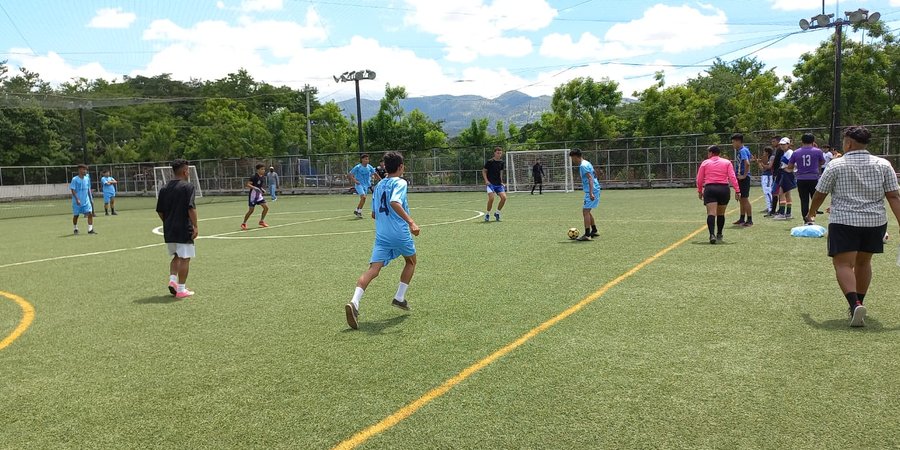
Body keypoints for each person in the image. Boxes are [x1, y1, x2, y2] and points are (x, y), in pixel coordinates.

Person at [805, 126, 900, 327]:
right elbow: (893, 196)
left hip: (844, 221)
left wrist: (812, 212)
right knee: (864, 263)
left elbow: (820, 193)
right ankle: (859, 304)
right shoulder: (883, 164)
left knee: (843, 264)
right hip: (875, 222)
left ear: (848, 143)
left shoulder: (836, 165)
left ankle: (854, 303)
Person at [345, 151, 420, 330]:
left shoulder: (379, 186)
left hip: (382, 234)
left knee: (373, 269)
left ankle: (354, 303)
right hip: (399, 232)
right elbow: (395, 202)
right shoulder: (400, 182)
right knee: (411, 261)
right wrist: (411, 222)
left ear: (385, 167)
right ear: (401, 167)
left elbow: (373, 213)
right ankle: (399, 297)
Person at [156, 159, 199, 299]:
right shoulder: (187, 187)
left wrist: (167, 222)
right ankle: (181, 289)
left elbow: (160, 211)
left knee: (176, 256)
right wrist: (195, 226)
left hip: (169, 229)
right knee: (185, 258)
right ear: (185, 171)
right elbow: (191, 208)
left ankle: (173, 280)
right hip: (183, 228)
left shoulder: (164, 188)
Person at [696, 145, 741, 244]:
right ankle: (719, 233)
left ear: (711, 153)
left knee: (711, 212)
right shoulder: (727, 162)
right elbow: (732, 177)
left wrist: (699, 190)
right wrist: (737, 191)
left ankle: (712, 234)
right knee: (721, 213)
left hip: (710, 188)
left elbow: (699, 179)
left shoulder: (705, 163)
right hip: (723, 189)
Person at [787, 133, 826, 220]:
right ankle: (812, 218)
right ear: (813, 141)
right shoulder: (818, 151)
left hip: (801, 179)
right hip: (814, 178)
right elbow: (823, 162)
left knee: (804, 200)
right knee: (814, 200)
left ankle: (805, 220)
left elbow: (790, 166)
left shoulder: (796, 152)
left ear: (802, 141)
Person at [568, 148, 601, 241]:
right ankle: (594, 230)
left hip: (592, 190)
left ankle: (587, 234)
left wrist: (591, 192)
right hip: (594, 188)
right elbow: (594, 175)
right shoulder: (587, 163)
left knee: (585, 211)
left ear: (575, 157)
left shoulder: (583, 166)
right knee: (587, 211)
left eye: (572, 158)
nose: (572, 161)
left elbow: (590, 178)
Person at [731, 133, 753, 226]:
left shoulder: (743, 150)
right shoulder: (745, 149)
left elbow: (747, 163)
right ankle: (742, 218)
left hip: (743, 178)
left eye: (733, 142)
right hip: (741, 177)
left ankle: (749, 220)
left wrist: (744, 175)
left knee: (744, 199)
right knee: (741, 199)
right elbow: (751, 158)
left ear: (738, 141)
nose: (733, 144)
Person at [348, 154, 380, 218]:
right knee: (363, 197)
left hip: (366, 185)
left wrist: (381, 180)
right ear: (362, 160)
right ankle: (359, 212)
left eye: (368, 159)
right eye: (365, 159)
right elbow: (350, 174)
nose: (367, 160)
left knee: (363, 199)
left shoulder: (369, 167)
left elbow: (375, 173)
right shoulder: (358, 167)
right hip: (359, 184)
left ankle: (357, 210)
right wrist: (355, 181)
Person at [773, 137, 796, 220]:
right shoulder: (785, 152)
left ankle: (782, 213)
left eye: (784, 144)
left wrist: (788, 169)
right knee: (787, 194)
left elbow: (792, 164)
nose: (782, 146)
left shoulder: (789, 152)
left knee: (781, 192)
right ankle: (788, 213)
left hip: (786, 174)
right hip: (784, 173)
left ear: (788, 144)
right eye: (781, 144)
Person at [70, 164, 96, 235]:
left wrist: (90, 198)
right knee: (76, 215)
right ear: (79, 170)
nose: (85, 171)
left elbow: (88, 189)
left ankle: (90, 229)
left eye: (86, 170)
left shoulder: (87, 178)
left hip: (86, 200)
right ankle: (75, 228)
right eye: (84, 169)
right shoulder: (75, 179)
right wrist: (77, 199)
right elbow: (73, 190)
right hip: (77, 201)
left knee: (90, 213)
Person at [241, 164, 269, 230]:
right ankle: (244, 223)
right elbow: (248, 184)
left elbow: (259, 186)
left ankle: (261, 221)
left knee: (266, 208)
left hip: (258, 195)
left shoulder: (262, 177)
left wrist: (262, 189)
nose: (263, 170)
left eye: (264, 169)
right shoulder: (253, 177)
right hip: (253, 196)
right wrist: (254, 188)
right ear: (258, 170)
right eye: (262, 169)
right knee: (251, 210)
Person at [483, 146, 507, 221]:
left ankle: (497, 213)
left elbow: (501, 172)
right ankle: (487, 214)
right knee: (491, 198)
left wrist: (501, 182)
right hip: (490, 184)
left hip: (498, 184)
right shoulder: (489, 162)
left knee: (504, 198)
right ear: (494, 153)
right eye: (497, 153)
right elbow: (484, 171)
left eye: (500, 153)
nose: (499, 154)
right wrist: (486, 181)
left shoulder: (502, 162)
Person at [756, 147, 775, 215]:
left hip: (768, 176)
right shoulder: (766, 159)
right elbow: (763, 169)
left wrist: (762, 163)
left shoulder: (771, 157)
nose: (763, 153)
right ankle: (768, 207)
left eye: (764, 152)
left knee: (768, 191)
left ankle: (771, 208)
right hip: (764, 176)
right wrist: (759, 163)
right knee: (766, 192)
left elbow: (769, 167)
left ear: (767, 152)